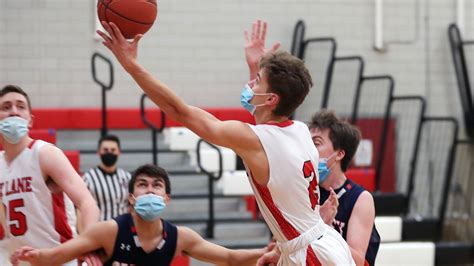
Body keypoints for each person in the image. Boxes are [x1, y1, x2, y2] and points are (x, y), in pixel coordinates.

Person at [95, 19, 354, 265]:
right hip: (320, 243)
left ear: (271, 98)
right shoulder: (298, 130)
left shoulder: (257, 140)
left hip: (309, 254)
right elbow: (266, 125)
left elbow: (180, 111)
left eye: (257, 81)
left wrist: (131, 65)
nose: (251, 85)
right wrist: (256, 67)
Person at [13, 164, 270, 266]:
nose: (150, 190)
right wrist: (32, 255)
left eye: (157, 185)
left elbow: (229, 257)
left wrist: (267, 252)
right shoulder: (110, 231)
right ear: (131, 198)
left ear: (166, 199)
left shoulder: (179, 237)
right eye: (143, 185)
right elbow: (59, 254)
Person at [0, 85, 100, 265]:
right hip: (22, 261)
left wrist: (88, 244)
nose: (14, 112)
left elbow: (87, 203)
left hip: (60, 259)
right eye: (6, 107)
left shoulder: (45, 154)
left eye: (20, 106)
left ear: (30, 120)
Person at [309, 110, 380, 266]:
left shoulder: (360, 199)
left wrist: (324, 228)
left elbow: (356, 260)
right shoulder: (304, 191)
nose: (308, 149)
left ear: (339, 154)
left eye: (316, 143)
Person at [83, 134, 131, 221]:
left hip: (123, 230)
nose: (109, 153)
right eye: (105, 150)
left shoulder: (127, 177)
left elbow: (132, 205)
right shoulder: (89, 178)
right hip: (99, 230)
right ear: (98, 152)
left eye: (113, 150)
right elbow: (81, 207)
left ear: (119, 152)